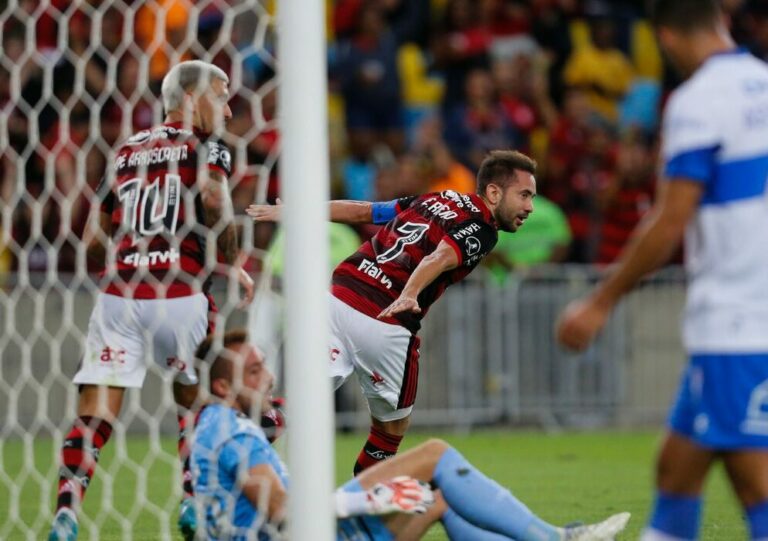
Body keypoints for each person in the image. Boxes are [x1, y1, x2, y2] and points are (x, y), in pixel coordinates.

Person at [555, 2, 768, 540]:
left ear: (666, 38)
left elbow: (670, 219)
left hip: (737, 325)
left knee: (756, 490)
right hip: (746, 315)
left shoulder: (697, 102)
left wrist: (600, 301)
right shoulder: (762, 83)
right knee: (675, 472)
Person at [48, 60, 255, 541]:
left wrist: (127, 263)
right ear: (190, 98)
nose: (226, 108)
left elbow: (92, 236)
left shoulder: (126, 150)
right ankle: (191, 501)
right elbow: (211, 199)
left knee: (95, 411)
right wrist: (229, 258)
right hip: (181, 293)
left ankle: (66, 512)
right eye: (220, 96)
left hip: (120, 294)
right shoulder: (206, 146)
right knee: (197, 404)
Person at [248, 150, 537, 475]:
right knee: (390, 430)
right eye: (524, 195)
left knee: (303, 403)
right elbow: (440, 257)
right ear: (494, 193)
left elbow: (364, 212)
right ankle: (365, 503)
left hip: (339, 296)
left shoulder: (435, 198)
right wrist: (410, 293)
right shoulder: (484, 229)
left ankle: (250, 434)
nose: (529, 207)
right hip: (385, 316)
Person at [190, 329, 631, 540]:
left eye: (264, 364)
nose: (268, 376)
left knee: (438, 497)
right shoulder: (235, 436)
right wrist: (365, 500)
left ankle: (548, 537)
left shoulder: (213, 428)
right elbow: (285, 512)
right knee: (435, 455)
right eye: (254, 370)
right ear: (223, 387)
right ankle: (556, 539)